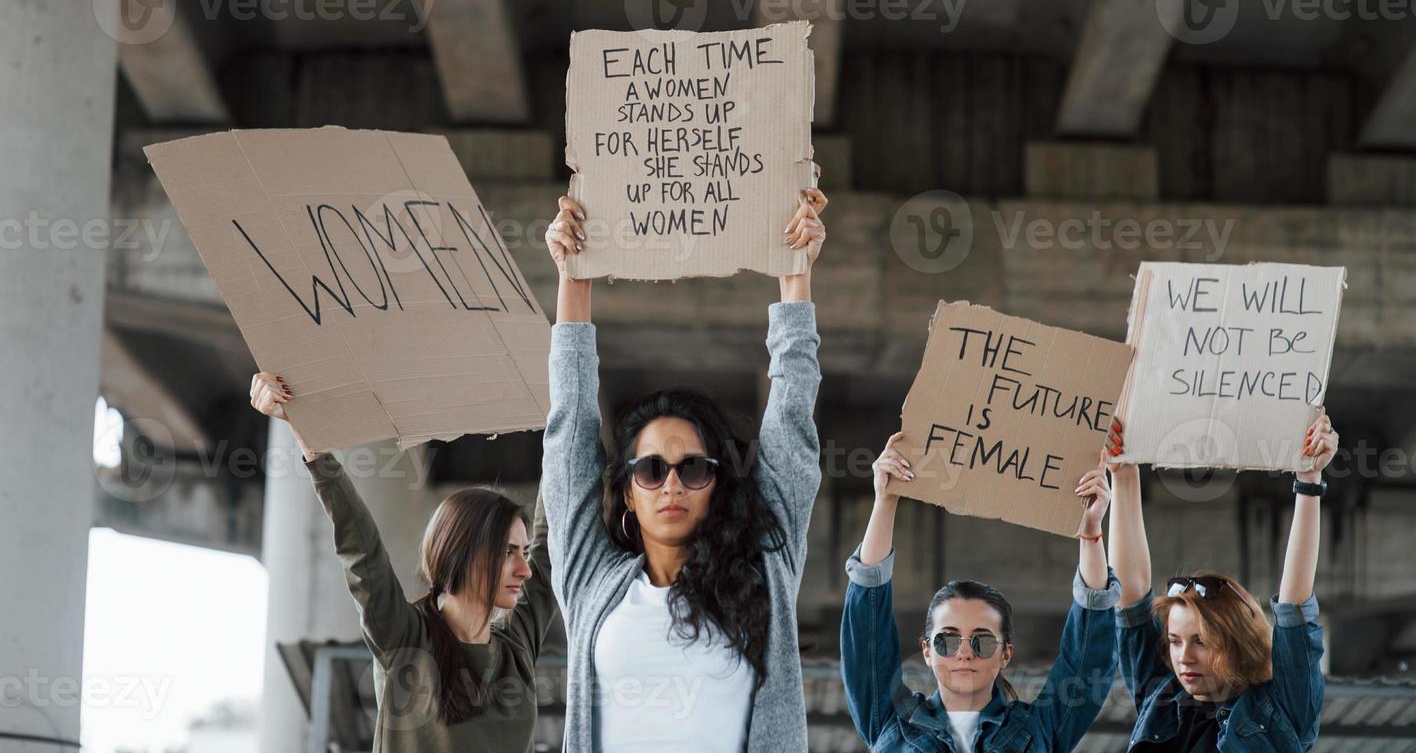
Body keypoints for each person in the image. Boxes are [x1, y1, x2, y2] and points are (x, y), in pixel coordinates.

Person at [540, 188, 827, 752]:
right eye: (650, 470)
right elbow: (569, 426)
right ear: (626, 492)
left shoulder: (765, 569)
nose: (671, 483)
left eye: (692, 468)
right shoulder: (591, 581)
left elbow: (791, 422)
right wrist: (574, 278)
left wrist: (796, 276)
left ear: (717, 483)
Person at [248, 374, 557, 752]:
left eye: (523, 553)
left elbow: (548, 541)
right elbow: (363, 548)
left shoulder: (517, 646)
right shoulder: (406, 638)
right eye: (508, 552)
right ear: (464, 551)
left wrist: (563, 414)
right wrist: (306, 434)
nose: (523, 569)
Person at [841, 431, 1122, 751]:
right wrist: (886, 500)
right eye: (946, 640)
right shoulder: (891, 723)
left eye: (983, 640)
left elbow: (1088, 656)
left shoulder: (1041, 730)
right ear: (927, 651)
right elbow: (866, 634)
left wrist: (1090, 532)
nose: (964, 652)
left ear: (1006, 654)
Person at [1106, 408, 1337, 751]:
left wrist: (1309, 480)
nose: (1183, 657)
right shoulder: (1162, 698)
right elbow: (1129, 598)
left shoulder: (1281, 711)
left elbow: (1294, 607)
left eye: (1201, 641)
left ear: (1236, 641)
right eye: (1174, 640)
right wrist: (1122, 471)